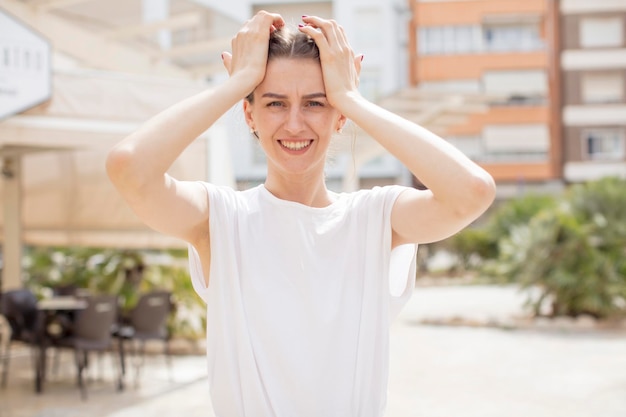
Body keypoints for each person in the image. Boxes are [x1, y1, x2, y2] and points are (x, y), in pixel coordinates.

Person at [106, 11, 496, 417]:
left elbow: (471, 192)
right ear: (249, 114)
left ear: (340, 116)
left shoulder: (375, 218)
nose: (294, 124)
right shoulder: (221, 218)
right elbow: (128, 167)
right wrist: (239, 83)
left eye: (315, 103)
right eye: (275, 103)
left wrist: (352, 97)